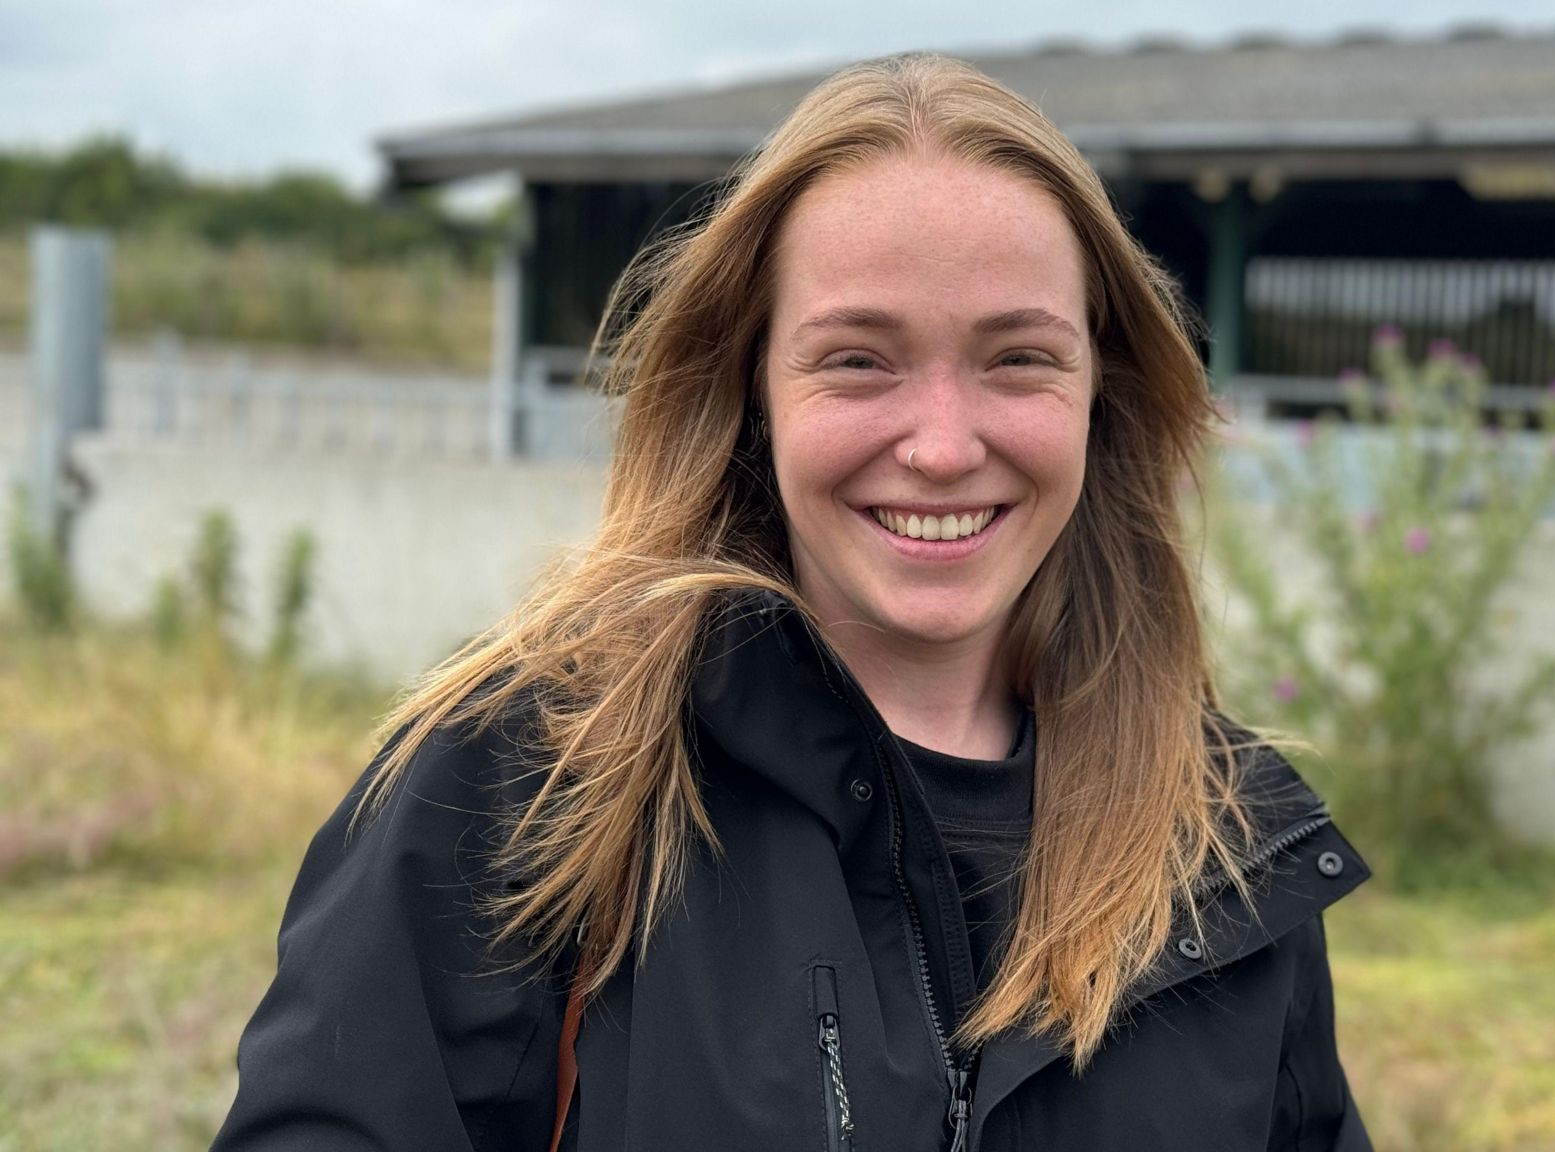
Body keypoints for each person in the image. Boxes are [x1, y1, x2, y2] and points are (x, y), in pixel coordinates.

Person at [212, 52, 1373, 1152]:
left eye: (1018, 358)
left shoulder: (1220, 844)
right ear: (749, 389)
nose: (939, 446)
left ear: (1099, 397)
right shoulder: (529, 771)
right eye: (857, 359)